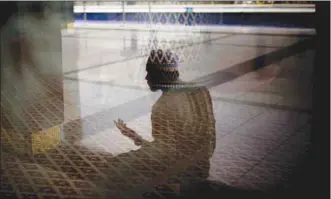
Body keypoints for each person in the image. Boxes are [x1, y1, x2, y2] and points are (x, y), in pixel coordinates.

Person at [110, 49, 216, 198]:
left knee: (114, 166)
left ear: (161, 74)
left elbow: (164, 157)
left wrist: (127, 158)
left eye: (149, 72)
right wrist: (135, 137)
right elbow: (180, 146)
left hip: (180, 178)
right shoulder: (201, 91)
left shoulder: (163, 106)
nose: (146, 78)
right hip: (201, 169)